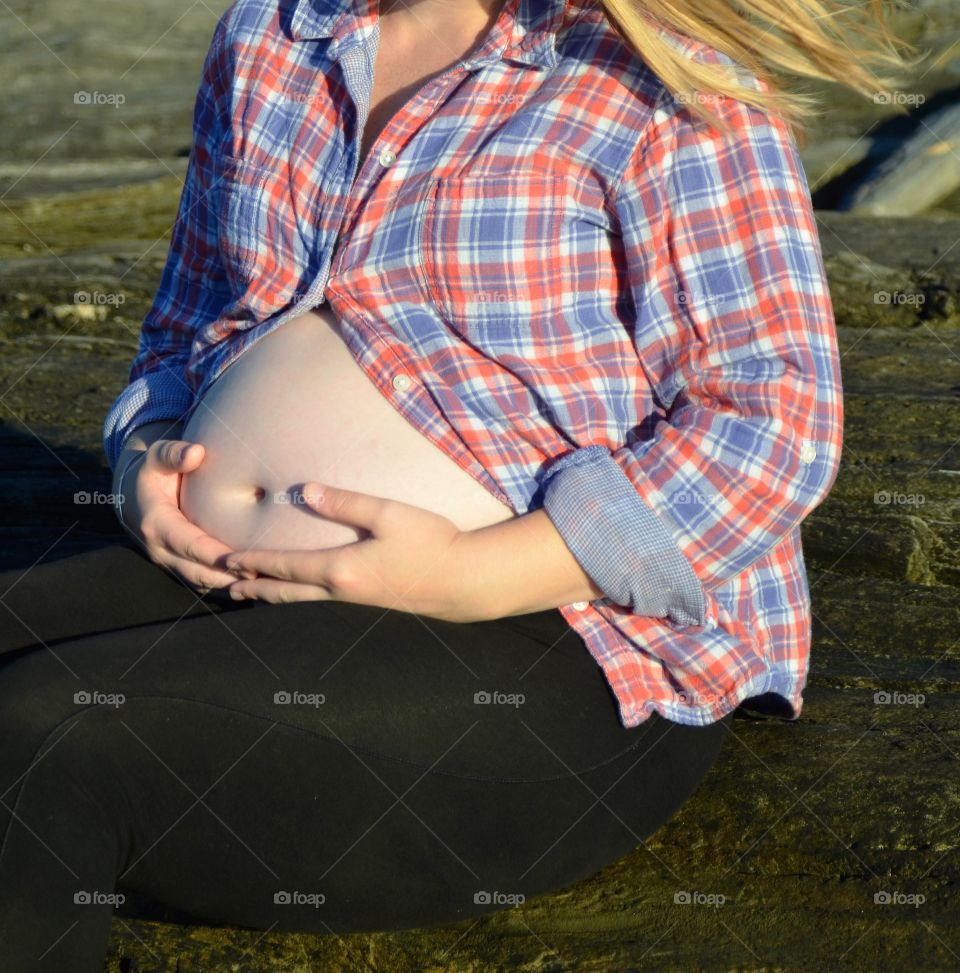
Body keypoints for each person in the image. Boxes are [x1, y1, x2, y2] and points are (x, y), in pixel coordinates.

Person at [0, 0, 915, 968]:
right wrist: (145, 452)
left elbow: (772, 424)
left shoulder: (654, 72)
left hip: (554, 637)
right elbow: (188, 324)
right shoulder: (270, 36)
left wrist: (470, 575)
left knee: (48, 734)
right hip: (227, 573)